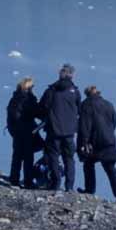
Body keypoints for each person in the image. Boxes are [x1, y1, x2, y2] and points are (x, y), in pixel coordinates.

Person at [78, 85, 116, 204]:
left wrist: (84, 142)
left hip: (95, 142)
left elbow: (85, 125)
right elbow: (114, 121)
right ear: (98, 93)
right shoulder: (108, 104)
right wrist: (109, 133)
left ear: (87, 94)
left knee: (88, 164)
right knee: (110, 167)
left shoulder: (86, 105)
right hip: (109, 141)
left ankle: (89, 190)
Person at [39, 64, 81, 192]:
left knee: (53, 156)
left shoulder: (51, 91)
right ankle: (69, 186)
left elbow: (42, 107)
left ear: (60, 74)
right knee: (69, 159)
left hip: (53, 131)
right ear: (72, 75)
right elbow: (79, 109)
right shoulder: (75, 92)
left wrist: (47, 119)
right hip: (69, 132)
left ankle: (55, 183)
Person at [6, 77, 41, 188]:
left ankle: (14, 179)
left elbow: (11, 117)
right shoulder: (30, 99)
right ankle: (28, 181)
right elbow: (36, 112)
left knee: (17, 156)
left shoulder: (14, 98)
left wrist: (13, 131)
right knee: (28, 158)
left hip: (17, 132)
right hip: (28, 131)